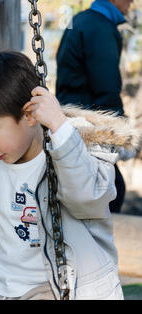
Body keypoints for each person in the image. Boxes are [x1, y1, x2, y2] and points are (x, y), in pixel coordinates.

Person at [0, 51, 138, 300]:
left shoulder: (71, 153)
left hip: (53, 289)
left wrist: (61, 128)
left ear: (30, 114)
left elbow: (88, 198)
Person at [56, 0, 134, 213]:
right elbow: (107, 86)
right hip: (89, 125)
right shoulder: (100, 28)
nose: (132, 2)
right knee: (113, 190)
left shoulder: (79, 20)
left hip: (69, 118)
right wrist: (120, 133)